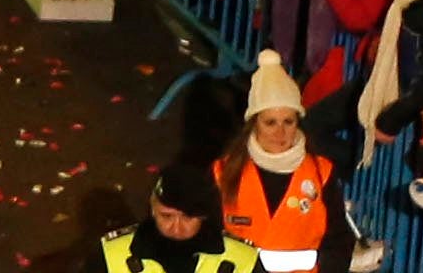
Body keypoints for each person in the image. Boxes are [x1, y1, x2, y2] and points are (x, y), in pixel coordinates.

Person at [214, 55, 342, 273]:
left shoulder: (322, 173)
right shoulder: (223, 172)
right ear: (254, 123)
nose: (280, 132)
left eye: (288, 122)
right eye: (270, 122)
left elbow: (339, 242)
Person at [100, 156, 246, 273]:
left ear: (203, 215)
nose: (176, 228)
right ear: (153, 209)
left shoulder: (242, 259)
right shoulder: (111, 256)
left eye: (187, 217)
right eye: (166, 216)